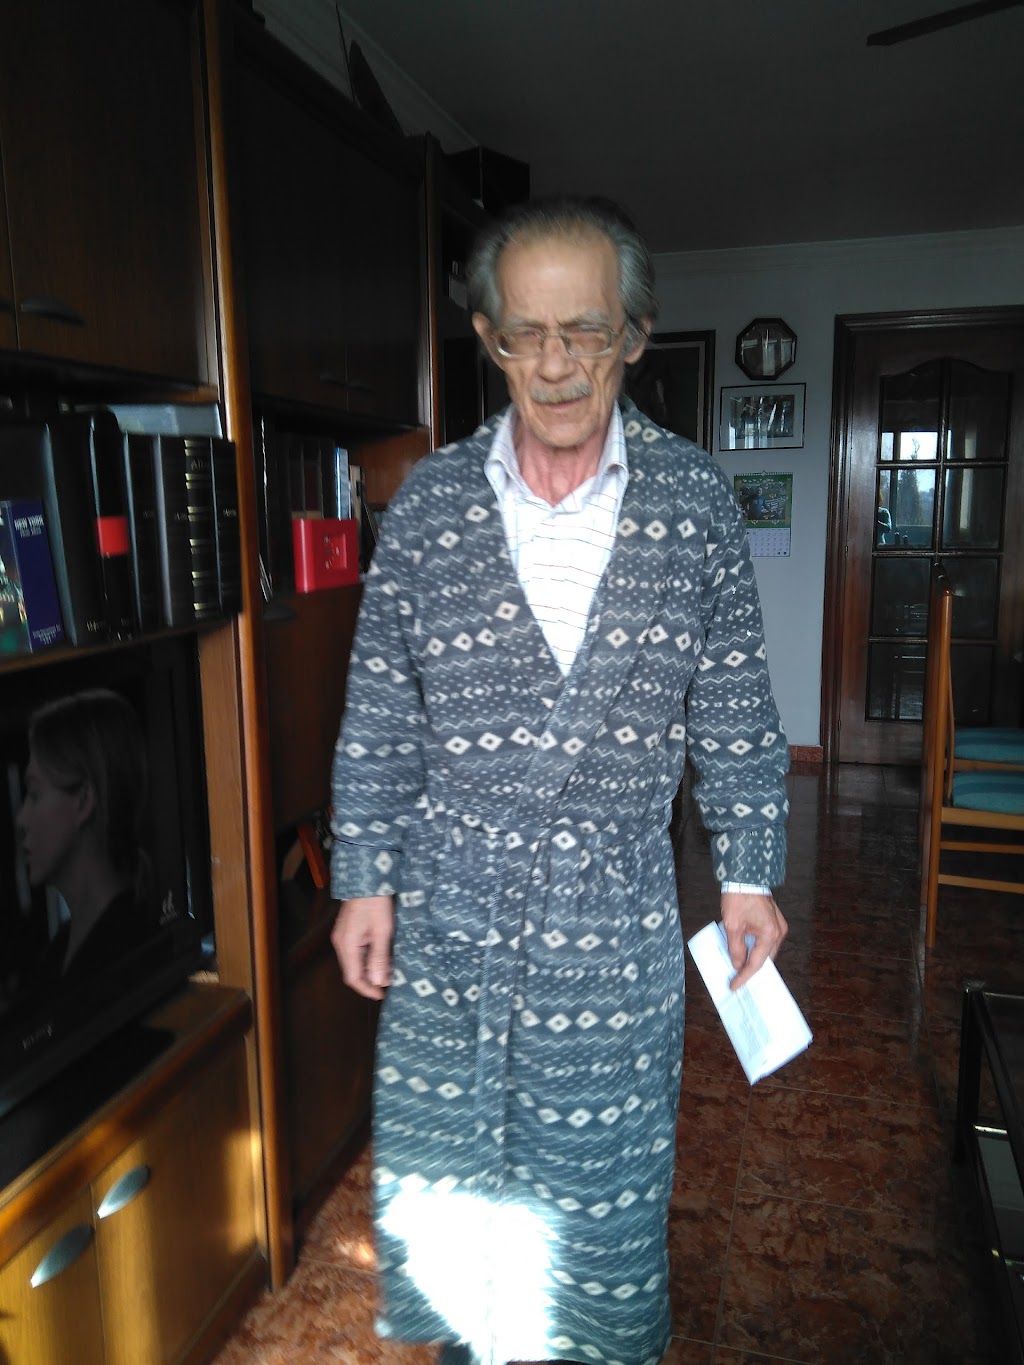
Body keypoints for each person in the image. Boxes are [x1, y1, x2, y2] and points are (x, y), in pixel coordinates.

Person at [330, 196, 789, 1365]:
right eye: (525, 333)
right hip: (450, 913)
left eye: (583, 331)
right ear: (488, 338)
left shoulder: (693, 504)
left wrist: (748, 874)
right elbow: (381, 709)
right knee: (451, 1208)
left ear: (632, 334)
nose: (553, 365)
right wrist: (364, 878)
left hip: (612, 915)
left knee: (598, 1203)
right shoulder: (428, 505)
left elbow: (734, 704)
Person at [16, 687, 152, 987]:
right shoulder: (59, 950)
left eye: (35, 794)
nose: (21, 819)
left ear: (83, 801)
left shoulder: (127, 954)